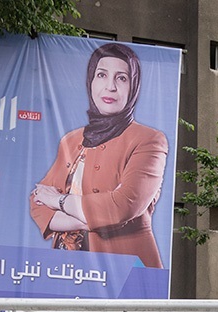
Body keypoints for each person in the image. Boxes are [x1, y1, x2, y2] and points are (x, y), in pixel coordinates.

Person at [30, 42, 166, 268]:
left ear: (133, 87)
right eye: (101, 75)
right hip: (68, 268)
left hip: (125, 271)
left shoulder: (149, 140)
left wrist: (57, 201)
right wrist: (90, 220)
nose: (110, 86)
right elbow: (37, 202)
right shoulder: (72, 140)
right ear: (91, 81)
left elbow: (121, 207)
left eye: (121, 78)